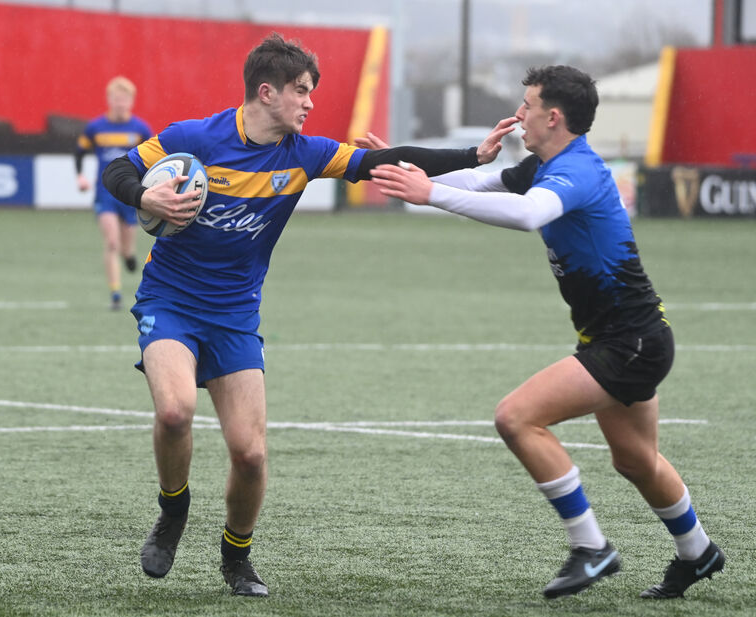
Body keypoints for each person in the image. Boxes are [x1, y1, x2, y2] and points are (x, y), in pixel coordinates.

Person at [101, 33, 514, 597]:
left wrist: (473, 156)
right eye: (301, 91)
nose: (310, 103)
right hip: (170, 300)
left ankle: (236, 557)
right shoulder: (196, 138)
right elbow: (119, 169)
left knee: (249, 454)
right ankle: (173, 511)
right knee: (175, 413)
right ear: (265, 92)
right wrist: (145, 198)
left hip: (236, 316)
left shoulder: (305, 154)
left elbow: (382, 161)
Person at [369, 65, 725, 600]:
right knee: (634, 460)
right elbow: (476, 183)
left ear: (552, 116)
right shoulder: (545, 164)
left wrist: (429, 195)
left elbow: (530, 214)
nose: (519, 116)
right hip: (628, 338)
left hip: (630, 342)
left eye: (527, 106)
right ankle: (698, 552)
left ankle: (591, 547)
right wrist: (404, 172)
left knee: (516, 418)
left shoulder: (577, 171)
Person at [76, 76, 152, 310]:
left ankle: (129, 256)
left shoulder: (140, 130)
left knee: (126, 247)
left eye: (124, 99)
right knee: (111, 242)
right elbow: (78, 151)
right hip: (104, 193)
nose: (120, 103)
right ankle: (116, 294)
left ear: (131, 101)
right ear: (109, 100)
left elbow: (154, 158)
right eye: (116, 99)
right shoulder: (95, 128)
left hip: (130, 194)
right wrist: (80, 175)